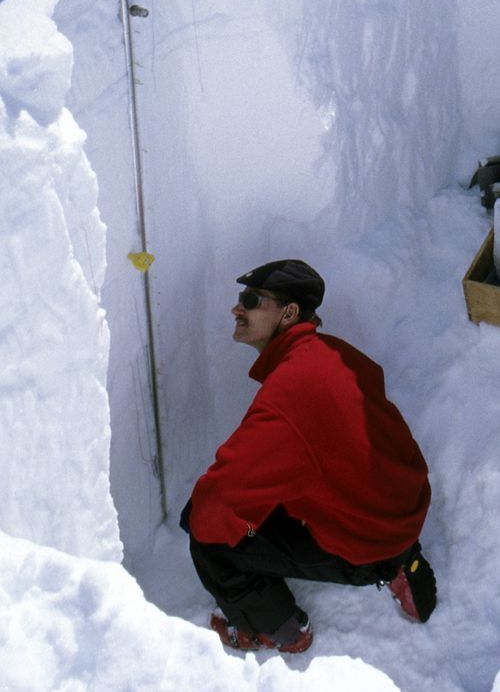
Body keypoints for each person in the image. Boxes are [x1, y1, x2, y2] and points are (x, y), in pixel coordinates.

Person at [182, 258, 436, 654]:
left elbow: (217, 504)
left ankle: (280, 629)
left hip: (363, 542)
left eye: (251, 300)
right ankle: (399, 558)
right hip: (398, 508)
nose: (238, 308)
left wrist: (241, 529)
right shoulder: (333, 352)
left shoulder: (288, 395)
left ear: (289, 312)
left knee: (206, 533)